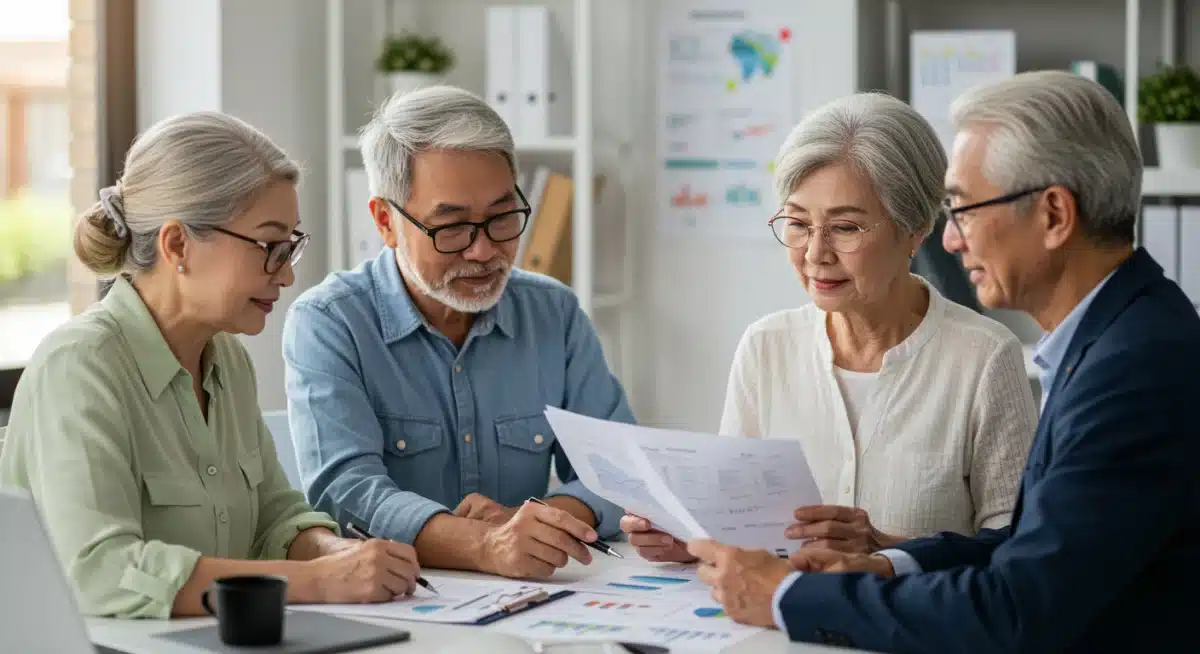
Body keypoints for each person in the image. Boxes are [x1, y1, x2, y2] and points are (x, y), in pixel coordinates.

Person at [687, 71, 1200, 653]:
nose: (951, 241)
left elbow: (1017, 607)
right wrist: (889, 563)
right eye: (799, 224)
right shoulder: (1111, 341)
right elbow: (1028, 549)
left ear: (1055, 215)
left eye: (964, 210)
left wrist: (788, 598)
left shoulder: (1133, 369)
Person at [0, 111, 422, 619]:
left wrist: (335, 553)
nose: (287, 275)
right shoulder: (78, 368)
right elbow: (101, 571)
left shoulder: (228, 361)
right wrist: (317, 580)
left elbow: (274, 516)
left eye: (290, 246)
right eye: (270, 246)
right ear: (177, 244)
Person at [621, 92, 1037, 563]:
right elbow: (737, 522)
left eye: (845, 228)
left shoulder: (984, 358)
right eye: (798, 223)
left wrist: (887, 553)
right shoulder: (766, 347)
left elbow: (1019, 554)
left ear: (915, 227)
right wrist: (692, 540)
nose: (815, 253)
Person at [283, 86, 630, 580]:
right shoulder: (330, 322)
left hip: (534, 597)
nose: (484, 251)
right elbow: (347, 493)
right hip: (400, 601)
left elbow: (622, 469)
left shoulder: (554, 312)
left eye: (502, 217)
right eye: (452, 228)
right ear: (385, 220)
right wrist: (483, 545)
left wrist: (539, 524)